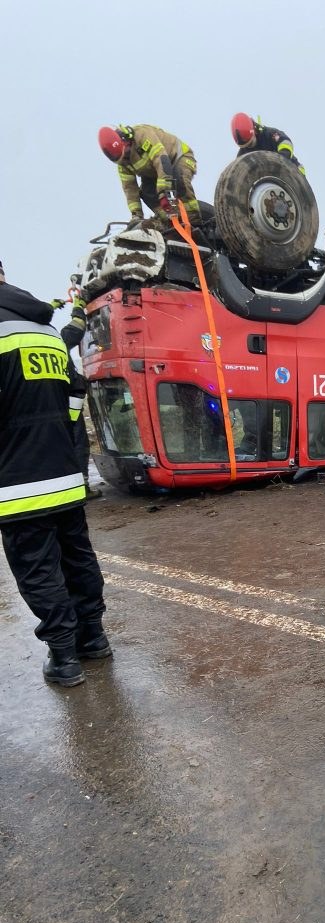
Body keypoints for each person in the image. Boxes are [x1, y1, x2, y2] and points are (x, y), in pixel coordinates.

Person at [0, 260, 111, 688]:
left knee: (38, 569)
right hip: (65, 478)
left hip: (16, 484)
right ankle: (94, 639)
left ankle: (64, 657)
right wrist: (62, 435)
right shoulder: (44, 332)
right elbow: (74, 389)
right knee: (77, 558)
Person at [97, 124, 201, 226]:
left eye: (126, 152)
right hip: (155, 173)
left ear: (126, 140)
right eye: (122, 158)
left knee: (178, 180)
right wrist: (136, 215)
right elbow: (130, 189)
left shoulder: (143, 135)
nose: (126, 159)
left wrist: (163, 193)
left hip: (179, 157)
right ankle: (169, 220)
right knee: (148, 193)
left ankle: (194, 219)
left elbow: (161, 161)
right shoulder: (123, 163)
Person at [62, 297, 100, 498]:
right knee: (78, 443)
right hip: (70, 401)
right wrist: (78, 308)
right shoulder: (56, 339)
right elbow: (76, 329)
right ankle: (81, 487)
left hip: (54, 402)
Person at [230, 113, 306, 175]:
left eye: (251, 142)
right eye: (246, 146)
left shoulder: (269, 134)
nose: (249, 146)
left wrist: (280, 158)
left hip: (293, 171)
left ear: (254, 130)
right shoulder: (242, 155)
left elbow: (285, 143)